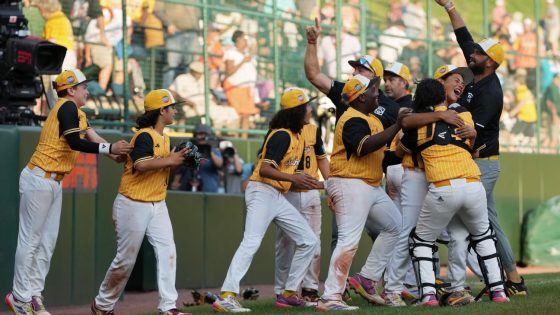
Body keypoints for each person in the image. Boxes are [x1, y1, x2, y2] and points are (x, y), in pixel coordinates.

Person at [4, 69, 133, 315]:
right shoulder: (65, 107)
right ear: (71, 90)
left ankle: (33, 296)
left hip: (54, 181)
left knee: (46, 244)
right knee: (31, 241)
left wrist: (116, 153)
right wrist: (110, 148)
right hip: (40, 177)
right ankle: (19, 296)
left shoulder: (77, 113)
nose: (87, 90)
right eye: (83, 86)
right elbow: (75, 142)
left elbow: (92, 137)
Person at [436, 0, 528, 295]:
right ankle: (511, 280)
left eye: (477, 52)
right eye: (474, 50)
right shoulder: (478, 73)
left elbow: (473, 132)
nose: (471, 53)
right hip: (475, 161)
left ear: (488, 61)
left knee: (466, 222)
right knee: (486, 222)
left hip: (483, 162)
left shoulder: (491, 91)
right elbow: (463, 35)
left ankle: (498, 281)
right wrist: (449, 6)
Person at [400, 78, 509, 306]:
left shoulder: (416, 124)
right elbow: (471, 148)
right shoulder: (465, 117)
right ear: (443, 95)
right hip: (472, 184)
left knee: (421, 240)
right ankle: (499, 291)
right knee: (483, 236)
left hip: (443, 186)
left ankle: (429, 296)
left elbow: (403, 147)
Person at [212, 88, 320, 312]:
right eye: (306, 106)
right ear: (297, 111)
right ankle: (227, 295)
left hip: (276, 195)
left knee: (309, 241)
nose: (310, 109)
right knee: (251, 242)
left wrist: (321, 184)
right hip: (262, 191)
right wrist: (293, 178)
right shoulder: (282, 134)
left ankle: (289, 293)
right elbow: (265, 169)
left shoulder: (297, 134)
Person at [91, 89, 192, 315]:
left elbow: (163, 167)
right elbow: (141, 165)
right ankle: (102, 305)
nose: (175, 110)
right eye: (172, 107)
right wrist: (171, 159)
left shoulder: (165, 138)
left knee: (168, 251)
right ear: (162, 110)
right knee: (126, 259)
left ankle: (168, 306)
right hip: (132, 203)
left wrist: (179, 162)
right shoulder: (145, 135)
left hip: (157, 203)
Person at [318, 75, 407, 311]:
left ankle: (367, 278)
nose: (377, 91)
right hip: (349, 183)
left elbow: (380, 156)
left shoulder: (371, 119)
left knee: (395, 225)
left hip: (369, 183)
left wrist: (401, 150)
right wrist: (397, 125)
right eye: (372, 89)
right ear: (361, 96)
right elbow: (363, 147)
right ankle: (330, 297)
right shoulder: (351, 118)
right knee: (348, 239)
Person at [274, 122, 329, 305]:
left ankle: (310, 289)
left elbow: (321, 158)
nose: (307, 110)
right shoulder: (279, 130)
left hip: (310, 192)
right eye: (303, 107)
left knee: (314, 242)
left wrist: (330, 186)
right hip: (286, 191)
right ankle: (282, 290)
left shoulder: (312, 129)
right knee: (285, 243)